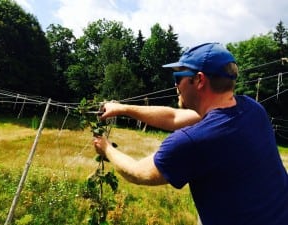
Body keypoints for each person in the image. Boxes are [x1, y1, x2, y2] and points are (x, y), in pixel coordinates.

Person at [93, 42, 288, 225]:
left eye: (178, 78)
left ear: (199, 80)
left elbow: (138, 172)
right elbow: (173, 117)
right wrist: (122, 108)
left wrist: (106, 148)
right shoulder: (251, 108)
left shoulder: (192, 142)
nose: (176, 86)